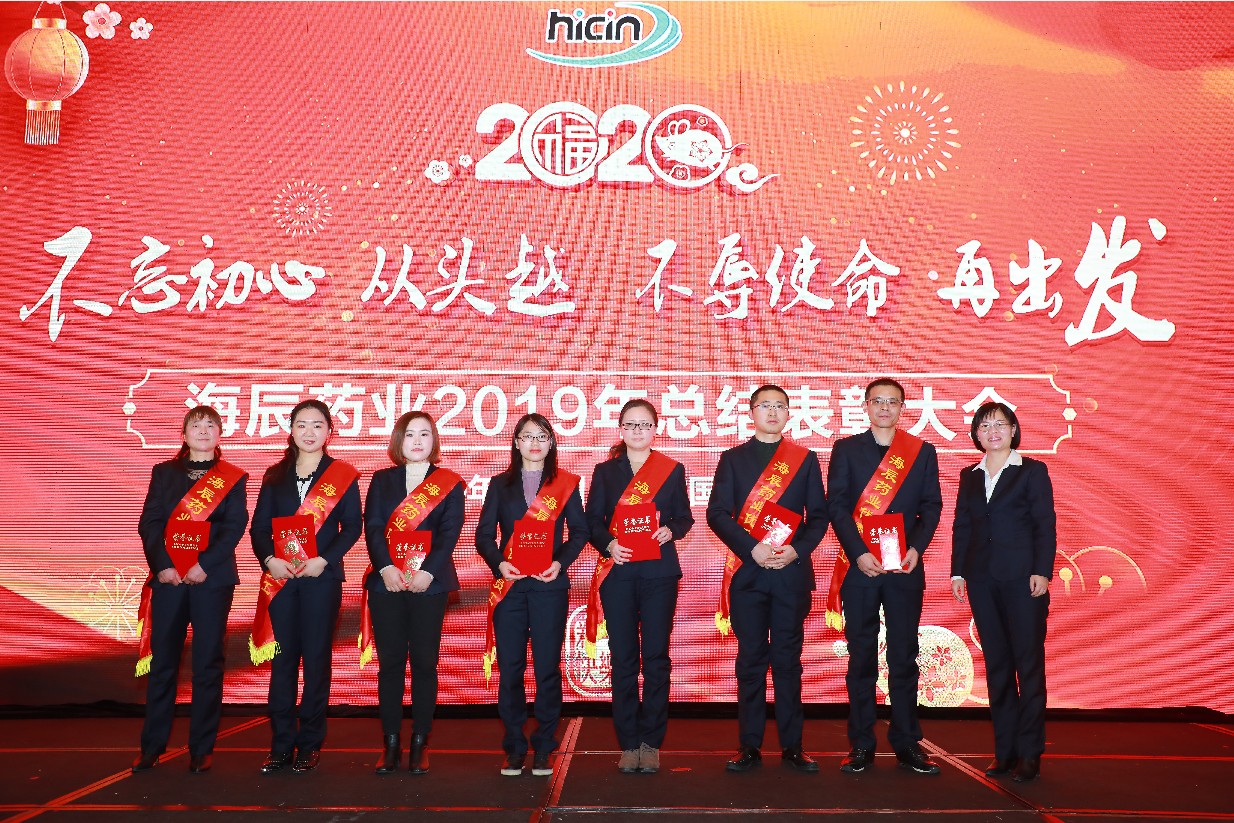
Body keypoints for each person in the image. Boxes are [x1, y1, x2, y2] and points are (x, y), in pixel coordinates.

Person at [706, 384, 828, 773]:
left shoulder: (804, 459)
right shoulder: (732, 459)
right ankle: (750, 745)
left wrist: (798, 550)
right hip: (749, 574)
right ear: (751, 412)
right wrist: (751, 548)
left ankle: (793, 746)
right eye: (765, 405)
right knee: (751, 660)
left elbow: (819, 516)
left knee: (788, 660)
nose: (772, 412)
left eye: (780, 406)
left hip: (791, 574)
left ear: (789, 414)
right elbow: (717, 513)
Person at [827, 378, 943, 775]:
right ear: (865, 406)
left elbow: (931, 506)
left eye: (893, 402)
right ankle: (862, 742)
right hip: (860, 569)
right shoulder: (846, 449)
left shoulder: (921, 451)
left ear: (902, 408)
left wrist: (917, 548)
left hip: (904, 568)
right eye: (877, 401)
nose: (885, 408)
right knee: (861, 656)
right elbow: (837, 506)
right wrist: (858, 552)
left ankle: (906, 741)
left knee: (904, 655)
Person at [132, 405, 249, 774]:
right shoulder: (164, 473)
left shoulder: (233, 477)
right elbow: (150, 522)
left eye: (210, 425)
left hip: (211, 580)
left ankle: (201, 747)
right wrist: (163, 565)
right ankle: (152, 746)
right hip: (168, 579)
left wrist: (204, 565)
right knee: (163, 663)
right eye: (196, 425)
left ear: (220, 434)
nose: (203, 430)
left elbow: (234, 526)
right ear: (184, 435)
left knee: (208, 663)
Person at [250, 399, 362, 774]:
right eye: (302, 424)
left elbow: (353, 527)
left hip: (321, 580)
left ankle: (310, 744)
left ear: (329, 431)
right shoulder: (274, 475)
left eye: (317, 425)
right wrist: (270, 559)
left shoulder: (342, 475)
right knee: (283, 662)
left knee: (315, 661)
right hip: (281, 580)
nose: (309, 432)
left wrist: (324, 559)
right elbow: (259, 528)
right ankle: (281, 745)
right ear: (291, 430)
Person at [476, 413, 587, 778]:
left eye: (542, 436)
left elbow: (580, 532)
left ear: (551, 443)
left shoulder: (565, 483)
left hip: (548, 586)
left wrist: (559, 563)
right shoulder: (499, 484)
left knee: (546, 669)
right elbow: (484, 535)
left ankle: (543, 747)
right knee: (510, 668)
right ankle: (513, 746)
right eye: (527, 436)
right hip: (510, 588)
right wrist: (499, 564)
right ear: (516, 442)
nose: (534, 443)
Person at [586, 399, 694, 774]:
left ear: (655, 430)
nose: (637, 431)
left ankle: (651, 742)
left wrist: (671, 530)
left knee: (656, 658)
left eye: (644, 425)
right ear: (621, 430)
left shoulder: (672, 469)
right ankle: (629, 742)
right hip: (619, 574)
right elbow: (592, 521)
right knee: (624, 659)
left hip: (659, 575)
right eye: (631, 425)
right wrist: (609, 544)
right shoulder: (604, 472)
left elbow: (685, 517)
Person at [951, 401, 1056, 783]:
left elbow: (1044, 524)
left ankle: (1030, 752)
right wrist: (958, 573)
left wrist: (1042, 571)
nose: (992, 431)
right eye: (984, 425)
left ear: (1013, 430)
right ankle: (1005, 751)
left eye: (999, 424)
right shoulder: (969, 476)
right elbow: (962, 526)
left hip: (1023, 580)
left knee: (1028, 665)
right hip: (982, 580)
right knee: (997, 665)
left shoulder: (1031, 471)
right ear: (976, 434)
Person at [364, 410, 465, 775]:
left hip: (429, 584)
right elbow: (373, 526)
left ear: (434, 440)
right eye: (410, 434)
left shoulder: (449, 483)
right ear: (399, 440)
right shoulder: (382, 480)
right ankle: (391, 742)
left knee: (424, 664)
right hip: (387, 582)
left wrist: (427, 572)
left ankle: (420, 741)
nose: (418, 440)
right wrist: (385, 567)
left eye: (425, 433)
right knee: (390, 664)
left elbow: (451, 531)